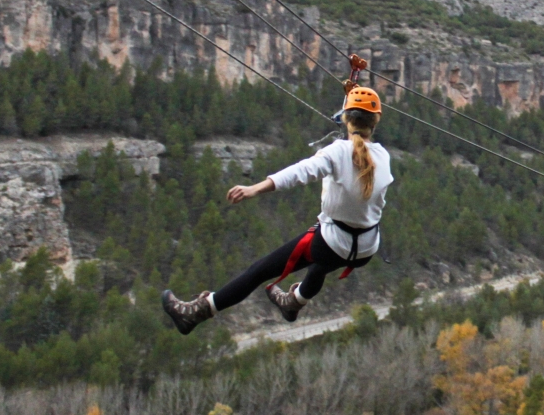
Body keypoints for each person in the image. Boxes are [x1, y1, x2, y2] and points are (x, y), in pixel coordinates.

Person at [162, 76, 392, 335]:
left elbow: (300, 171)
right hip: (366, 248)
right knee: (320, 267)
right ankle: (295, 302)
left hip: (331, 242)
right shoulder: (383, 157)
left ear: (345, 119)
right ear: (376, 122)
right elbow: (356, 145)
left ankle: (197, 312)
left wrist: (255, 187)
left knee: (259, 271)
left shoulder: (337, 151)